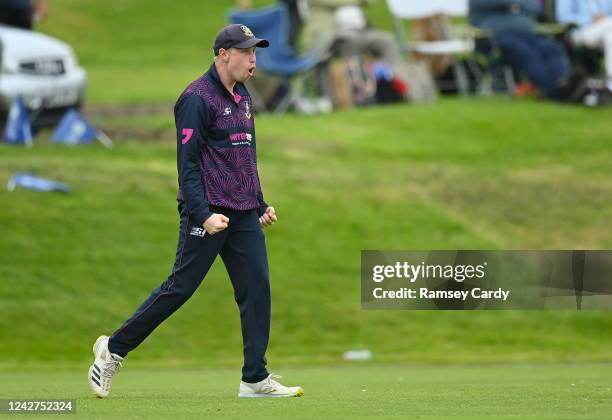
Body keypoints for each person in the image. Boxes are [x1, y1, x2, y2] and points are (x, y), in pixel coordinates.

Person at [87, 24, 304, 399]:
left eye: (255, 52)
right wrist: (203, 214)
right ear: (223, 54)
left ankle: (255, 378)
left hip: (242, 213)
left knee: (257, 287)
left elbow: (244, 157)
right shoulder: (196, 98)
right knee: (179, 289)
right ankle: (113, 349)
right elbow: (186, 166)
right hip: (206, 215)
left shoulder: (243, 97)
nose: (253, 59)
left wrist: (260, 202)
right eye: (246, 52)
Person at [469, 0, 580, 101]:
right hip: (496, 36)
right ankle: (551, 90)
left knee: (551, 49)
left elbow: (536, 7)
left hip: (527, 32)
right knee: (528, 54)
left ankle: (564, 84)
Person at [556, 0, 612, 90]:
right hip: (579, 32)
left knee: (610, 37)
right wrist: (591, 19)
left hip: (604, 31)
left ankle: (610, 86)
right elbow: (562, 17)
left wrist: (603, 21)